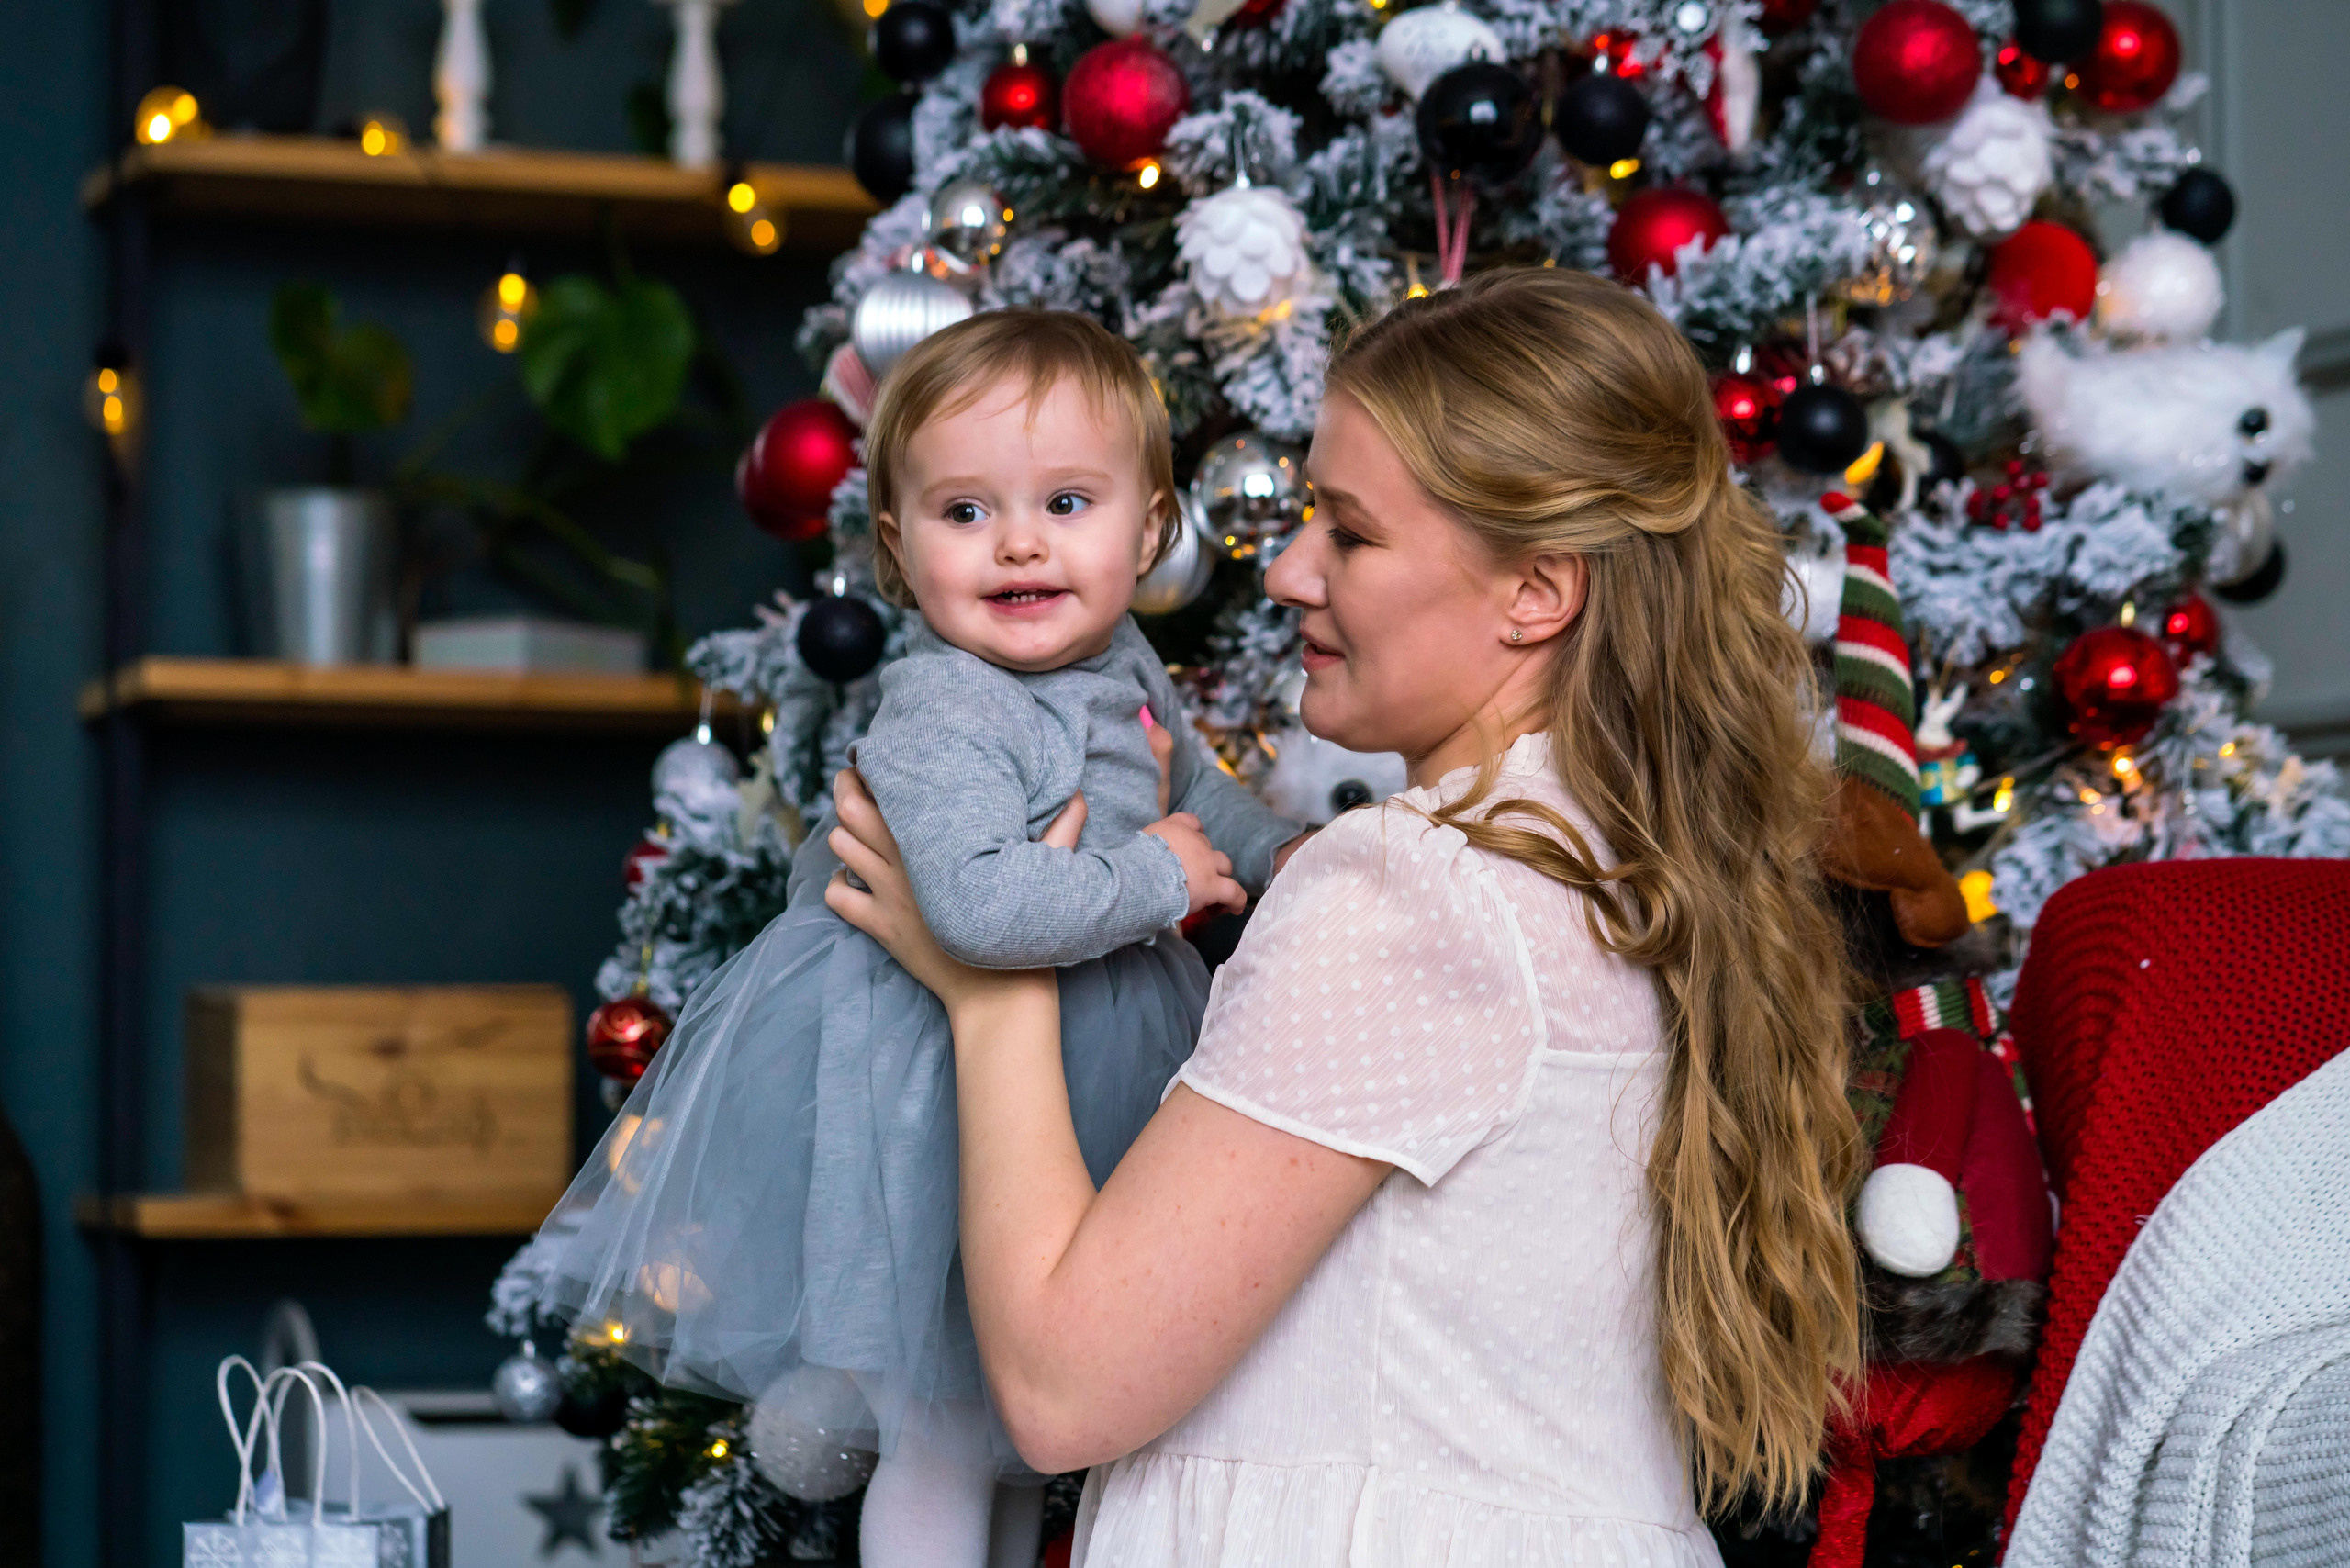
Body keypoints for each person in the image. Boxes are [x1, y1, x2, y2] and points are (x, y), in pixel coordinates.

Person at [823, 266, 1866, 1566]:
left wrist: (990, 995)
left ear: (1536, 591)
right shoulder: (1616, 861)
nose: (1287, 572)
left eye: (1350, 533)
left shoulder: (1414, 891)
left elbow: (1059, 1388)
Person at [540, 310, 1305, 1568]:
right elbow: (979, 909)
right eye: (964, 513)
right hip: (937, 1119)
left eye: (1068, 502)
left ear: (1153, 529)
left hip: (1084, 1070)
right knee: (944, 1432)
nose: (1018, 542)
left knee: (1018, 1437)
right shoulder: (942, 709)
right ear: (897, 549)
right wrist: (1156, 878)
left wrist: (1284, 856)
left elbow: (1202, 802)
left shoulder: (1124, 664)